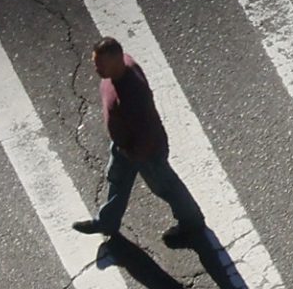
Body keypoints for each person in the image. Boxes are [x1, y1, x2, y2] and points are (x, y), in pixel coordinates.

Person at [71, 38, 205, 251]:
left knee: (166, 187)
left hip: (144, 152)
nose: (96, 69)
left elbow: (147, 131)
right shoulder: (120, 67)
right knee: (117, 180)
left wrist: (134, 153)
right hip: (125, 145)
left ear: (116, 61)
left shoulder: (133, 93)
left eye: (101, 64)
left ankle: (192, 222)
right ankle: (107, 222)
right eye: (95, 62)